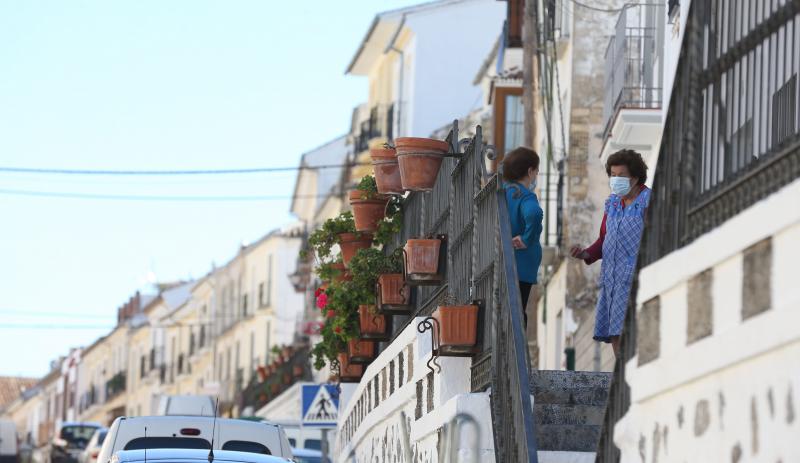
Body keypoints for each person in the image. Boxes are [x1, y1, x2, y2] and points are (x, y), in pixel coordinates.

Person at [570, 149, 651, 356]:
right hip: (612, 278)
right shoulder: (613, 204)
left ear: (634, 177)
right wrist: (586, 254)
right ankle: (622, 378)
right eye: (612, 176)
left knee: (631, 332)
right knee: (616, 334)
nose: (615, 180)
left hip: (635, 277)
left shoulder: (647, 200)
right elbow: (604, 239)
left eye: (621, 176)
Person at [503, 147, 544, 328]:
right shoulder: (525, 196)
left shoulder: (501, 192)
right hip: (521, 265)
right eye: (536, 171)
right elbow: (534, 214)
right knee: (518, 315)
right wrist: (526, 239)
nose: (536, 176)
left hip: (502, 261)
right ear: (529, 171)